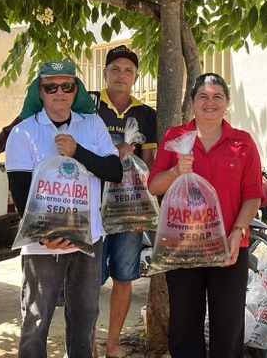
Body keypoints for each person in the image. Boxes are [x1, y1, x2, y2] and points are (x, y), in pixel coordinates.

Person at [5, 60, 122, 357]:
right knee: (36, 320)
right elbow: (20, 190)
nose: (59, 92)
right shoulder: (23, 132)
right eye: (51, 87)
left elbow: (114, 171)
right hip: (42, 243)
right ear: (40, 93)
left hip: (89, 239)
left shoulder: (92, 124)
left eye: (66, 86)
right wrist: (43, 236)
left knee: (85, 317)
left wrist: (77, 151)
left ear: (75, 91)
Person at [148, 73, 264, 357]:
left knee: (229, 324)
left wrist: (238, 231)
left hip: (230, 246)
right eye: (203, 96)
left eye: (217, 97)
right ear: (192, 102)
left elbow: (253, 195)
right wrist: (176, 171)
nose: (210, 102)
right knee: (184, 324)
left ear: (226, 102)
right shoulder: (175, 138)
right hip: (182, 245)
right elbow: (154, 186)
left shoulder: (243, 142)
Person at [96, 45, 157, 358]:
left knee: (123, 276)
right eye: (115, 69)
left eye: (128, 70)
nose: (121, 75)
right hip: (92, 207)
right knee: (89, 279)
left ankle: (112, 344)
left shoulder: (146, 115)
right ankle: (86, 341)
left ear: (136, 76)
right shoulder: (89, 104)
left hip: (130, 209)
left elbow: (149, 164)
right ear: (105, 73)